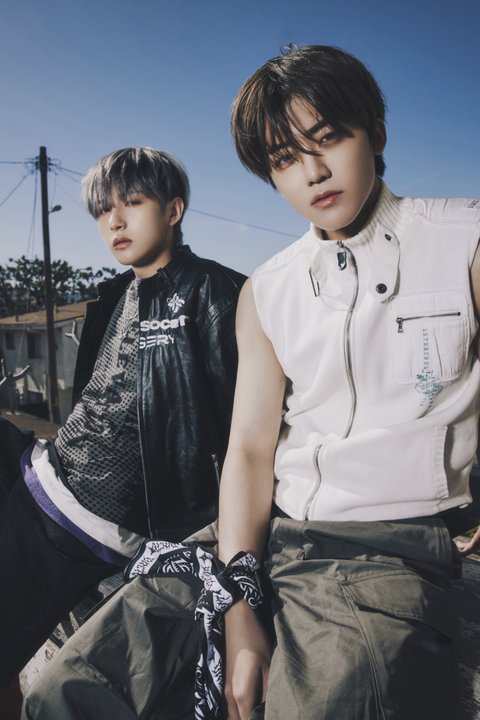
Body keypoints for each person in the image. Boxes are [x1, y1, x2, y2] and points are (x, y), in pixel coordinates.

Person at [23, 47, 480, 720]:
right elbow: (249, 450)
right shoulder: (268, 289)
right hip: (252, 538)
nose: (313, 173)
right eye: (285, 159)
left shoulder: (464, 239)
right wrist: (239, 599)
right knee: (66, 692)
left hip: (385, 549)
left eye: (329, 139)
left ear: (376, 133)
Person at [0, 147, 245, 699]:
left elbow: (244, 429)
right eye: (103, 210)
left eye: (132, 203)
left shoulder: (214, 294)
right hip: (51, 473)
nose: (114, 221)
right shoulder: (115, 294)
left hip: (83, 517)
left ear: (173, 210)